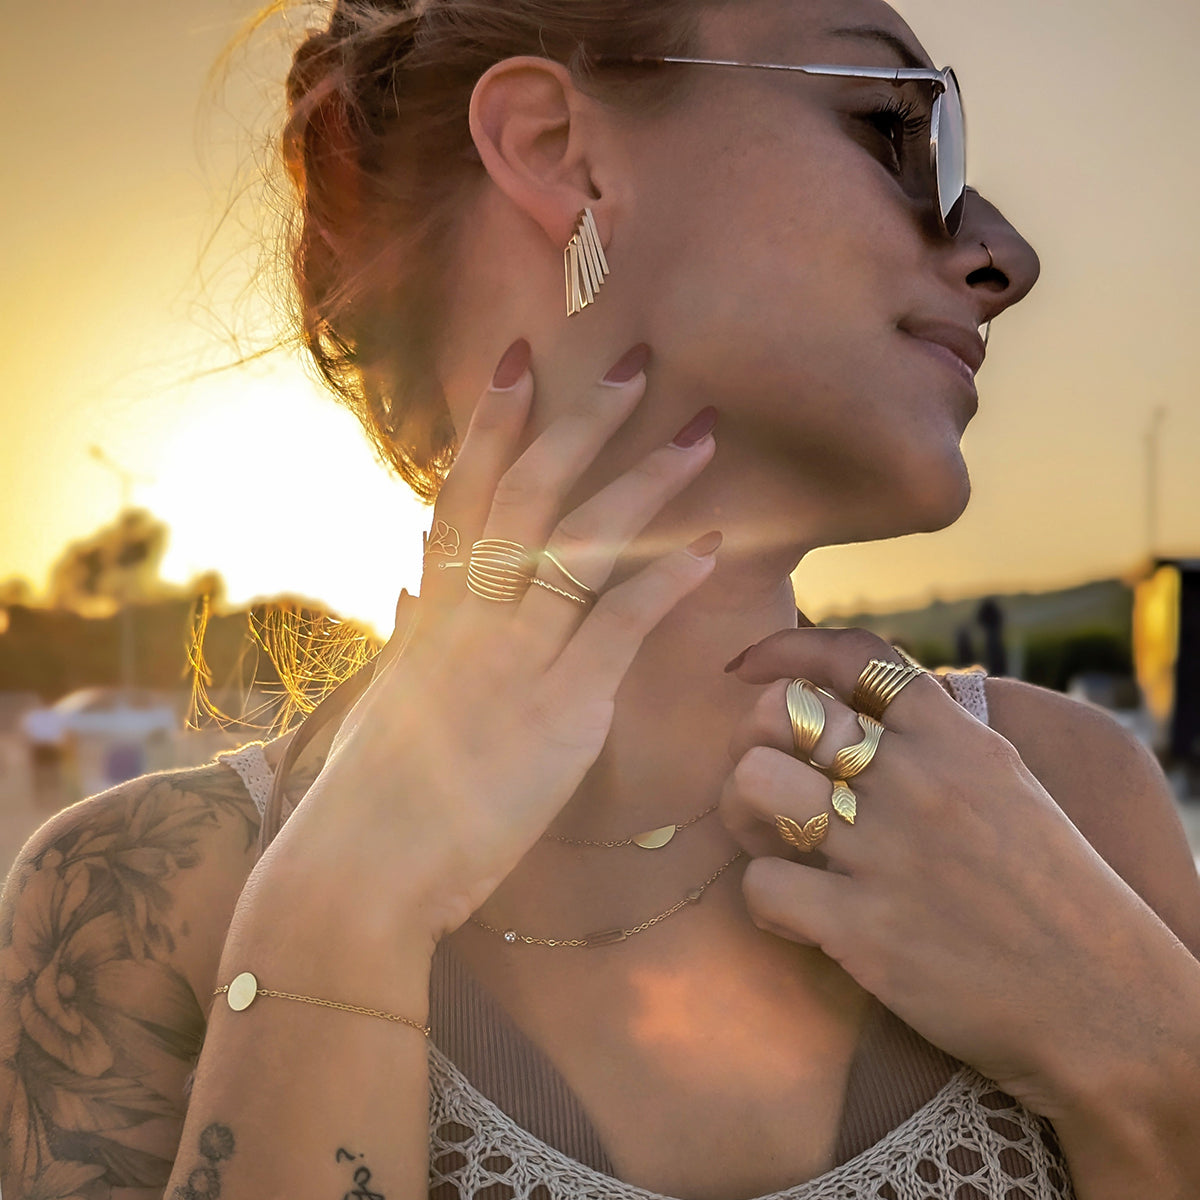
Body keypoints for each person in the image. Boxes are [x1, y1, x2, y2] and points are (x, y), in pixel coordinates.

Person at [2, 1, 1200, 1197]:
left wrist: (1145, 1062)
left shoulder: (1074, 814)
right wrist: (338, 912)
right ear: (555, 151)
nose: (1003, 256)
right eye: (896, 123)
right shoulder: (135, 907)